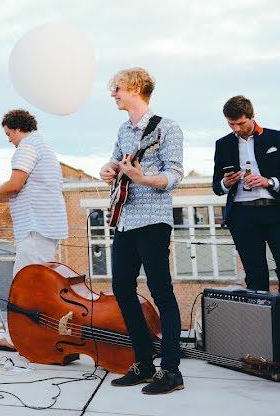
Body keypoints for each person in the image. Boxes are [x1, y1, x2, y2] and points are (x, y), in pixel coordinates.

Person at [99, 67, 184, 395]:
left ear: (135, 88)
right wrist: (108, 170)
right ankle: (144, 363)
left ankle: (171, 370)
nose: (113, 94)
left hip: (153, 220)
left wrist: (144, 178)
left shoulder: (167, 127)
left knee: (162, 292)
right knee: (121, 288)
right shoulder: (123, 129)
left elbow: (175, 173)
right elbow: (114, 162)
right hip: (124, 220)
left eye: (117, 88)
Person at [0, 109, 68, 351]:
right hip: (47, 225)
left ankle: (16, 338)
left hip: (34, 227)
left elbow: (15, 185)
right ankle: (38, 335)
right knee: (42, 286)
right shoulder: (44, 145)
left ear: (16, 129)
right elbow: (23, 190)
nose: (8, 140)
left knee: (25, 286)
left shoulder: (26, 147)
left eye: (8, 134)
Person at [213, 95, 280, 294]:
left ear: (252, 115)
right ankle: (260, 324)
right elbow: (216, 186)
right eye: (231, 124)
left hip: (277, 213)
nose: (236, 129)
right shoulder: (223, 144)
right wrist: (225, 183)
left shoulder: (277, 139)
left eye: (240, 123)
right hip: (242, 216)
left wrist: (269, 181)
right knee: (255, 274)